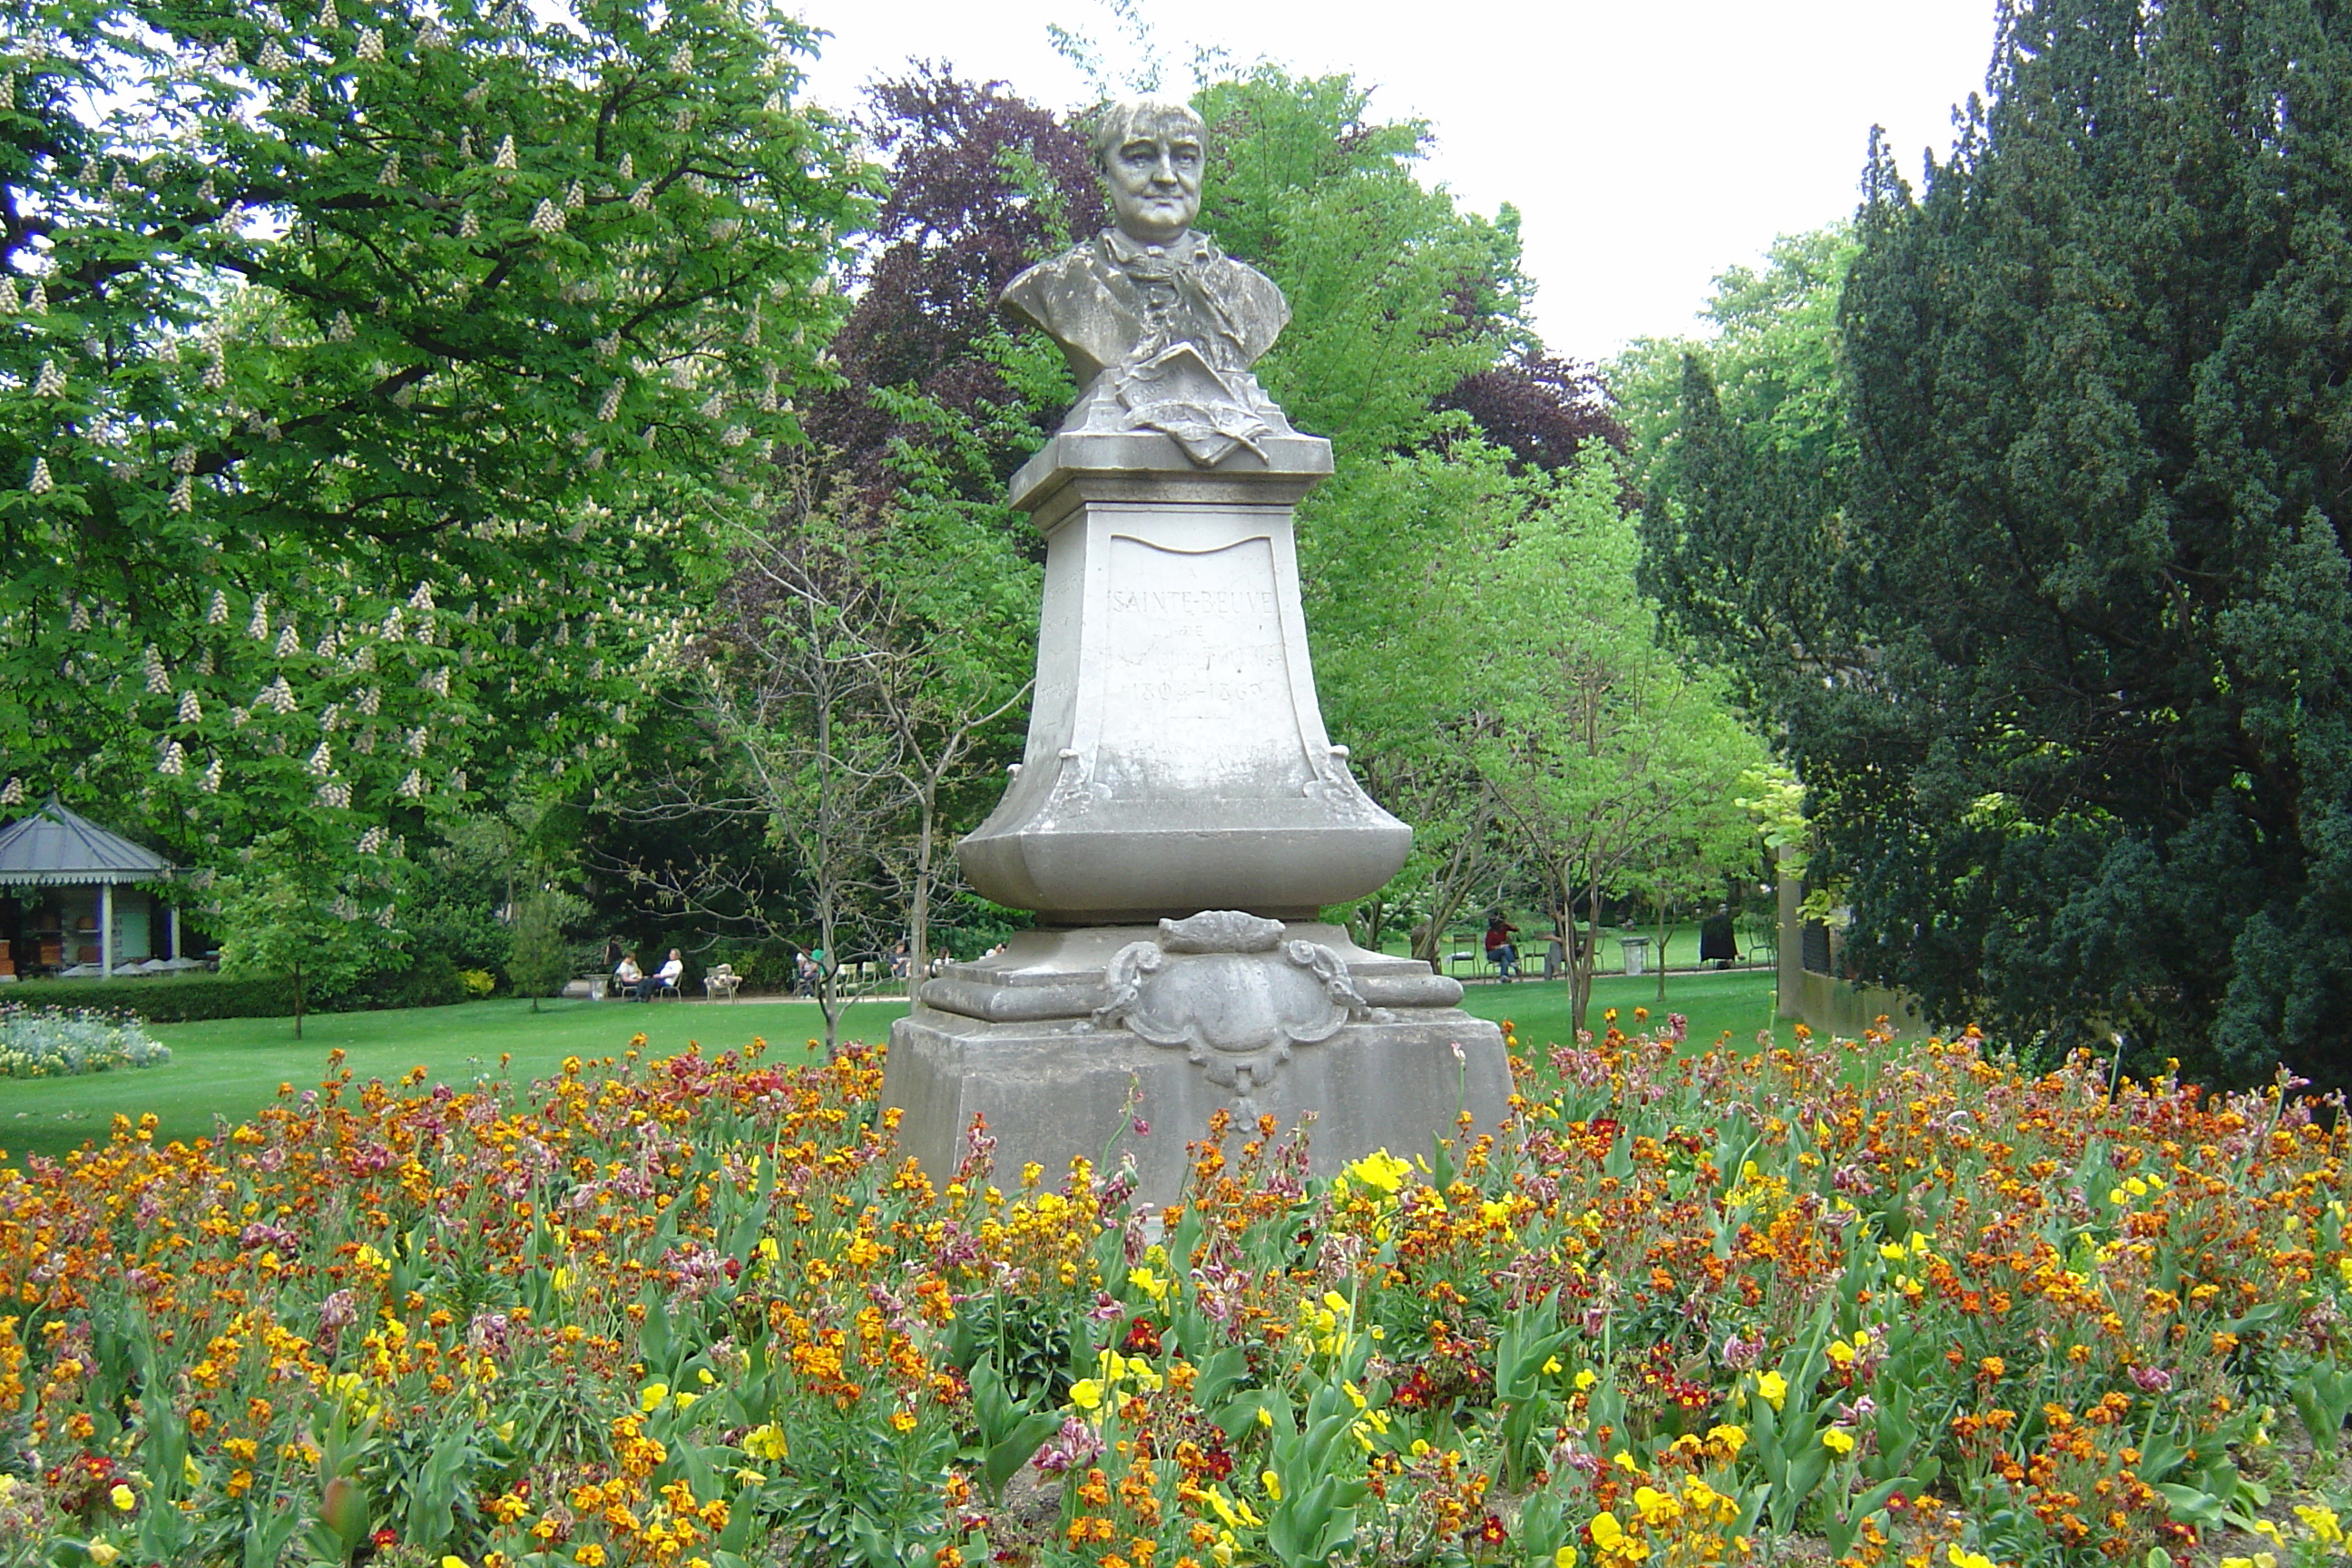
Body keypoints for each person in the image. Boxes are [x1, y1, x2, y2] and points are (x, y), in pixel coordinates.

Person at [998, 98, 1293, 466]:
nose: (1167, 176)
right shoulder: (1058, 287)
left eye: (1185, 157)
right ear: (1104, 172)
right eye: (1141, 157)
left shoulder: (1256, 297)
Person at [1485, 913, 1520, 983]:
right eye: (1500, 924)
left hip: (1503, 952)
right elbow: (1488, 947)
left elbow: (1516, 929)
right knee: (1505, 949)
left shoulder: (1504, 929)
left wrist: (1507, 923)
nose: (1501, 925)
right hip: (1493, 954)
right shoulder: (1490, 933)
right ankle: (1514, 965)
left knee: (1504, 957)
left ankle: (1504, 976)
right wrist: (1498, 947)